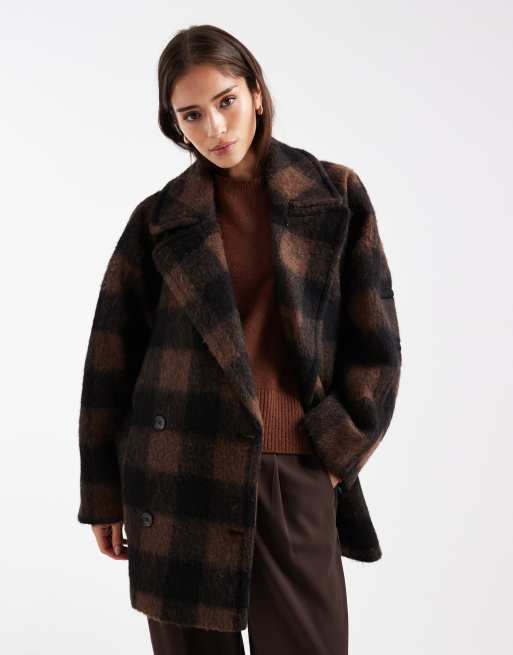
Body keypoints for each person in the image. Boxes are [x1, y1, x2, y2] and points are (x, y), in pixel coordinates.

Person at [77, 24, 402, 655]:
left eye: (225, 101)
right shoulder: (157, 221)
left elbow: (377, 345)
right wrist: (104, 495)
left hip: (292, 468)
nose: (215, 128)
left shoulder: (333, 195)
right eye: (192, 115)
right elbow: (110, 363)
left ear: (255, 91)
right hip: (177, 473)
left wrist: (333, 451)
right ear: (175, 124)